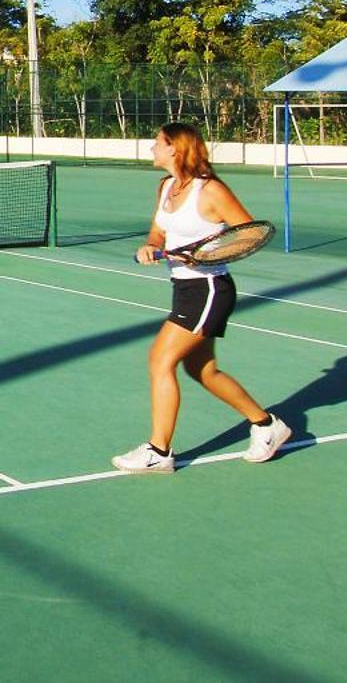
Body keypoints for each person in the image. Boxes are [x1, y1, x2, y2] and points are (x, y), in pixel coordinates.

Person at [113, 122, 292, 474]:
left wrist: (205, 256)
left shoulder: (210, 191)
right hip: (184, 288)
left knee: (159, 361)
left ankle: (158, 452)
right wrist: (152, 245)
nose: (152, 148)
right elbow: (159, 229)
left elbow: (249, 235)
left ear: (175, 149)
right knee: (203, 370)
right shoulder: (166, 187)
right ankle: (267, 425)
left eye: (157, 143)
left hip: (209, 290)